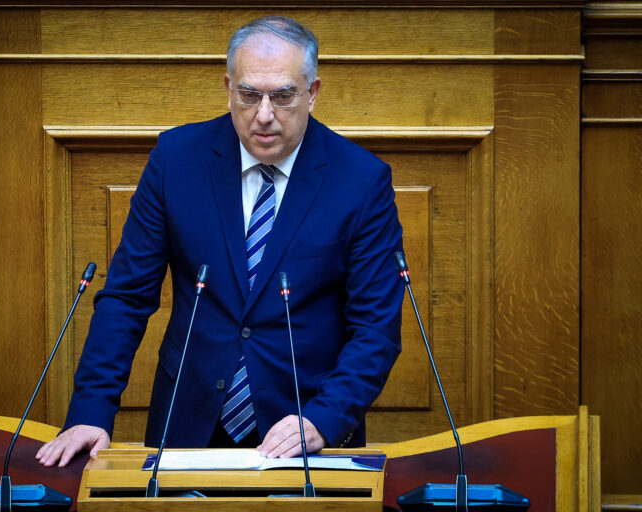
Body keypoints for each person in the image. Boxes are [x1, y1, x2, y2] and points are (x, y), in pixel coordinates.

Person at [36, 15, 404, 468]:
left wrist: (324, 419)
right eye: (249, 95)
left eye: (283, 96)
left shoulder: (361, 180)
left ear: (312, 93)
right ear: (228, 88)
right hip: (187, 423)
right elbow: (127, 298)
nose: (264, 114)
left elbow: (376, 328)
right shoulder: (176, 160)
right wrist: (91, 412)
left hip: (306, 430)